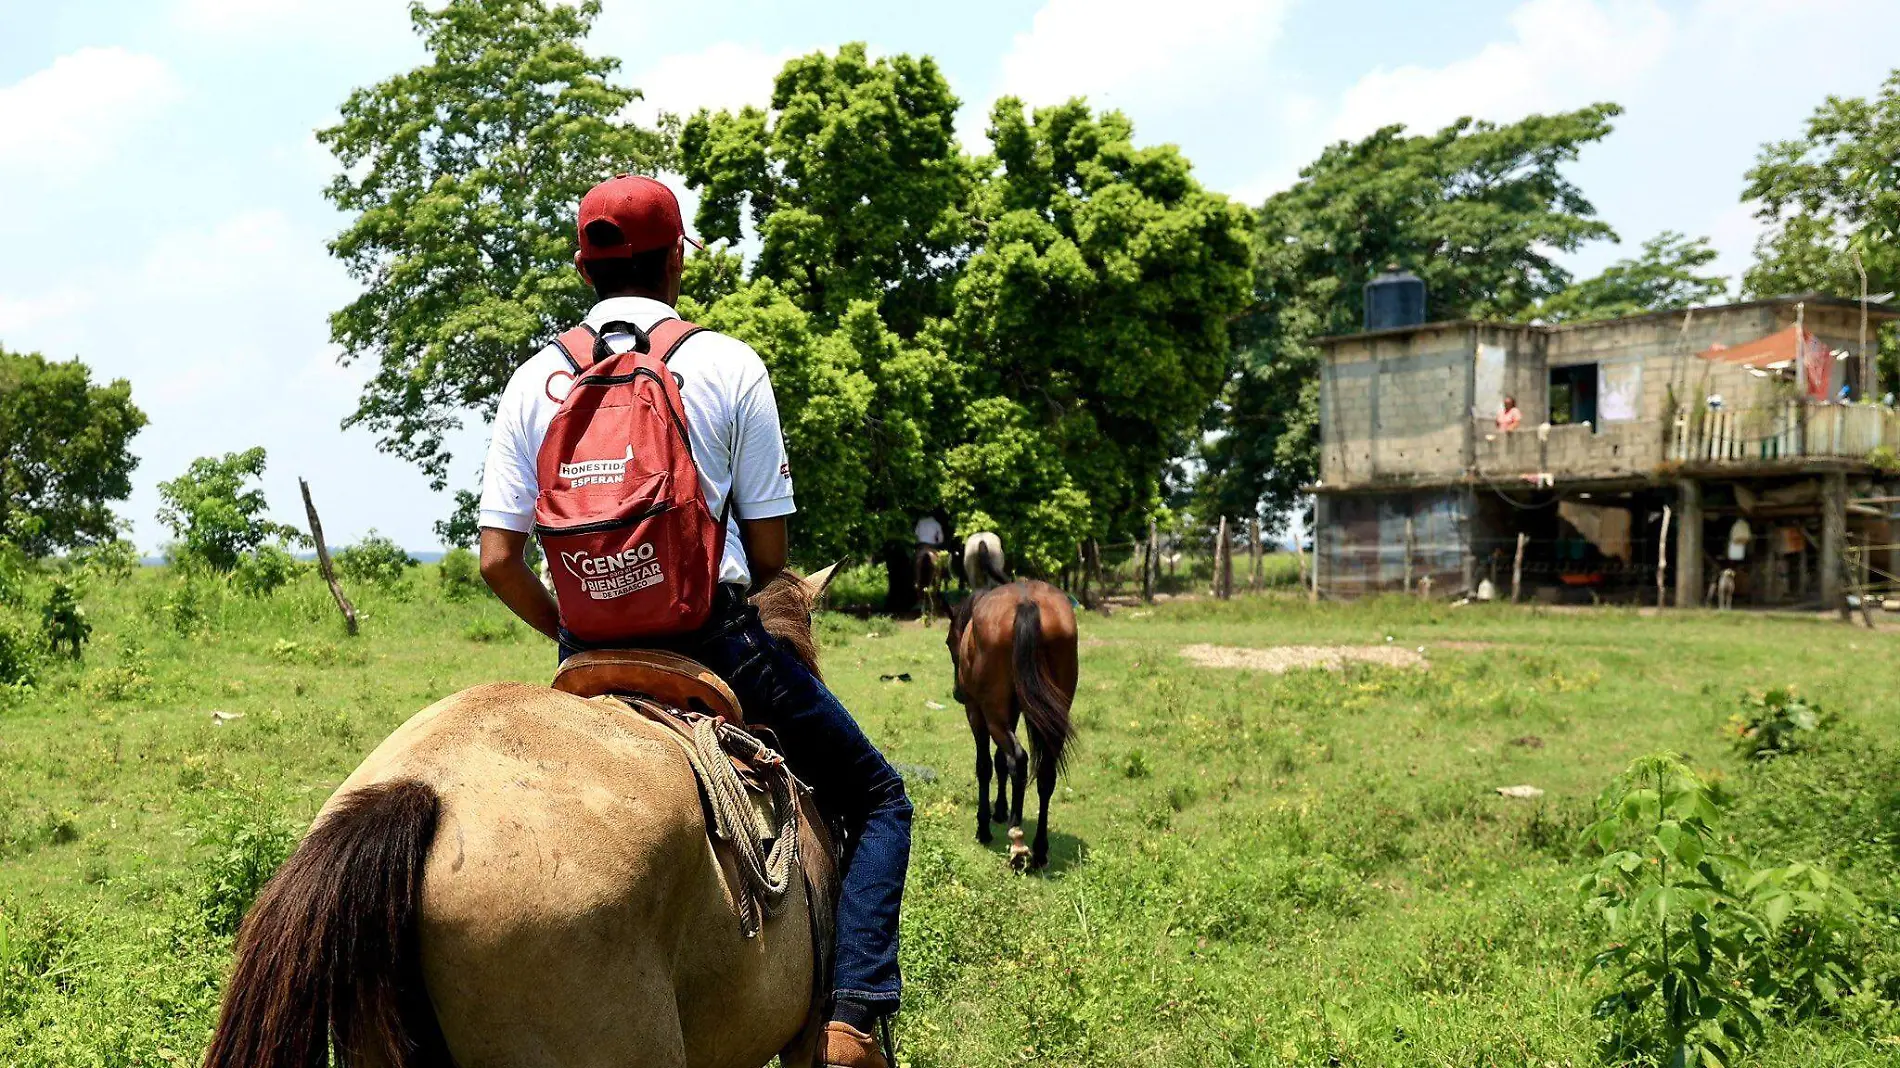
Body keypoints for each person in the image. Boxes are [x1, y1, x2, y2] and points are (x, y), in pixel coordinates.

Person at [477, 174, 910, 1068]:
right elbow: (772, 553)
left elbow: (496, 561)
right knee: (879, 798)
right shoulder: (727, 365)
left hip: (584, 654)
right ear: (675, 260)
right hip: (713, 644)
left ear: (581, 267)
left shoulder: (535, 378)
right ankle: (851, 1025)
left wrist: (573, 628)